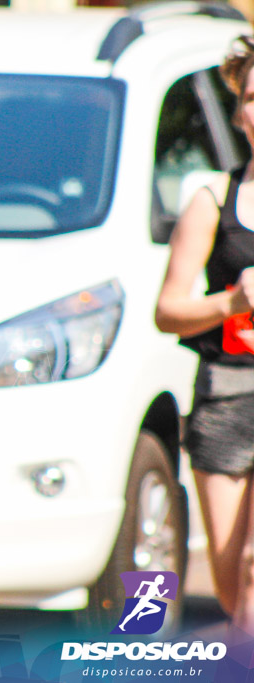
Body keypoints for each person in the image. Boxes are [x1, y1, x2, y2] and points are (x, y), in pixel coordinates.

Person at [154, 36, 254, 637]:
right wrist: (232, 301)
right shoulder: (213, 199)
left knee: (252, 567)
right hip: (226, 397)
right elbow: (168, 311)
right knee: (227, 582)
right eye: (249, 96)